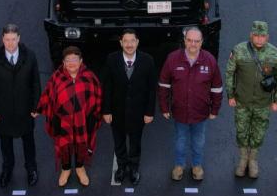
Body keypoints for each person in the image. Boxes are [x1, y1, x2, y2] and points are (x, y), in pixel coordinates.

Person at [159, 26, 223, 182]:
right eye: (189, 40)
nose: (193, 44)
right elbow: (163, 85)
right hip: (179, 111)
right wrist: (164, 107)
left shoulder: (210, 60)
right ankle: (179, 166)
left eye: (196, 41)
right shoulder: (172, 59)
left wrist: (214, 109)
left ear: (202, 42)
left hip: (200, 112)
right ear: (184, 41)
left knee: (198, 141)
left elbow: (217, 88)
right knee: (180, 141)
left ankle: (197, 166)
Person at [0, 24, 42, 188]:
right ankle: (7, 170)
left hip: (25, 109)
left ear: (19, 38)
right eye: (7, 40)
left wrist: (36, 106)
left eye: (13, 39)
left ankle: (31, 169)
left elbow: (36, 83)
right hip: (3, 111)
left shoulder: (30, 56)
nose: (10, 43)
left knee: (28, 142)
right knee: (5, 144)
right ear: (2, 39)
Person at [37, 46, 102, 187]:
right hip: (62, 121)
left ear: (81, 61)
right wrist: (38, 109)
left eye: (74, 59)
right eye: (68, 60)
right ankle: (65, 169)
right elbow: (47, 95)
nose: (71, 63)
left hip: (83, 121)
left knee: (81, 144)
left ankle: (80, 167)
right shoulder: (56, 77)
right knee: (64, 146)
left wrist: (97, 116)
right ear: (64, 62)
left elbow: (97, 97)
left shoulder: (89, 77)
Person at [225, 21, 277, 179]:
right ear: (251, 35)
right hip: (242, 101)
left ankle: (253, 161)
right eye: (256, 36)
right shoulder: (239, 50)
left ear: (267, 37)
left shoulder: (275, 53)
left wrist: (276, 100)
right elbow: (230, 73)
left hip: (263, 103)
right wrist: (230, 95)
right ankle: (243, 160)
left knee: (259, 133)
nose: (259, 39)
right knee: (241, 132)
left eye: (262, 36)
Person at [101, 29, 157, 186]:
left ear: (137, 42)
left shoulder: (148, 60)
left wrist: (149, 112)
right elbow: (107, 87)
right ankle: (121, 168)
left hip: (138, 113)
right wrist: (106, 110)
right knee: (118, 143)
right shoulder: (111, 59)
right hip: (117, 112)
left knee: (135, 143)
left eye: (132, 41)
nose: (129, 44)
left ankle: (134, 168)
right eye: (125, 41)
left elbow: (152, 89)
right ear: (121, 43)